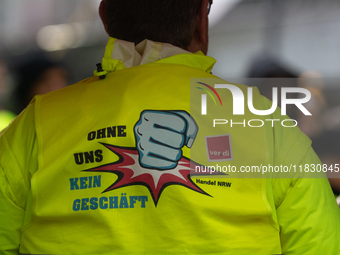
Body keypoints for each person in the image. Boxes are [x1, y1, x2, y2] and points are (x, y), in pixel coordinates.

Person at [0, 0, 339, 254]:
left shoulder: (35, 124)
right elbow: (320, 246)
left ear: (104, 17)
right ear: (201, 22)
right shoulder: (269, 125)